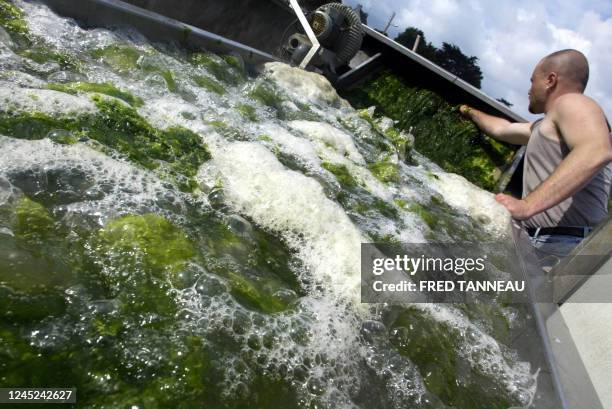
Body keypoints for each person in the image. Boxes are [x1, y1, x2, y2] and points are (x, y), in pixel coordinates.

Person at [459, 49, 612, 260]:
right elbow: (502, 129)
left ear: (550, 80)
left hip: (565, 245)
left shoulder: (574, 103)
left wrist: (527, 205)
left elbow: (596, 151)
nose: (529, 90)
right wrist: (469, 111)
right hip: (550, 244)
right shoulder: (544, 125)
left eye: (532, 81)